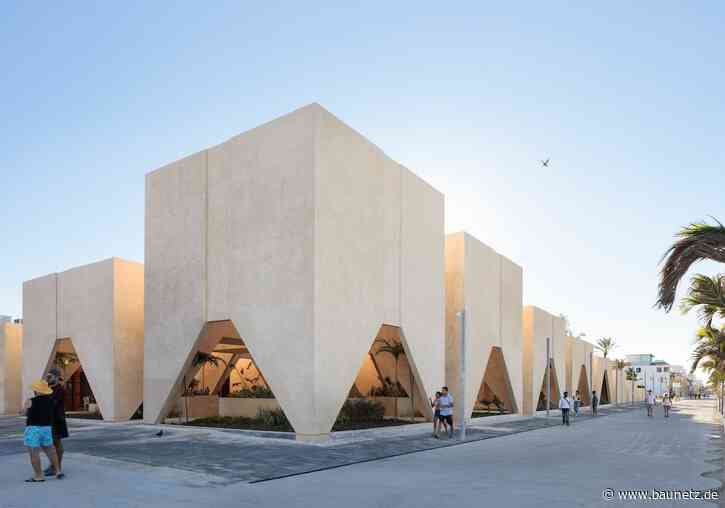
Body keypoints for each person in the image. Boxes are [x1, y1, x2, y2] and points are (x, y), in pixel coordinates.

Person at [24, 380, 63, 482]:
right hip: (46, 428)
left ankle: (39, 476)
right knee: (51, 450)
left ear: (37, 391)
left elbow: (24, 412)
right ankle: (58, 471)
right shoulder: (51, 401)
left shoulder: (30, 400)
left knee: (34, 452)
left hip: (33, 428)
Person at [44, 368, 69, 476]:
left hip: (57, 419)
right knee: (52, 444)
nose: (47, 379)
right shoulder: (49, 388)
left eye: (50, 377)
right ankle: (53, 465)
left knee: (56, 443)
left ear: (56, 377)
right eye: (47, 376)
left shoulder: (59, 389)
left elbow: (51, 403)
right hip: (50, 419)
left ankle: (56, 467)